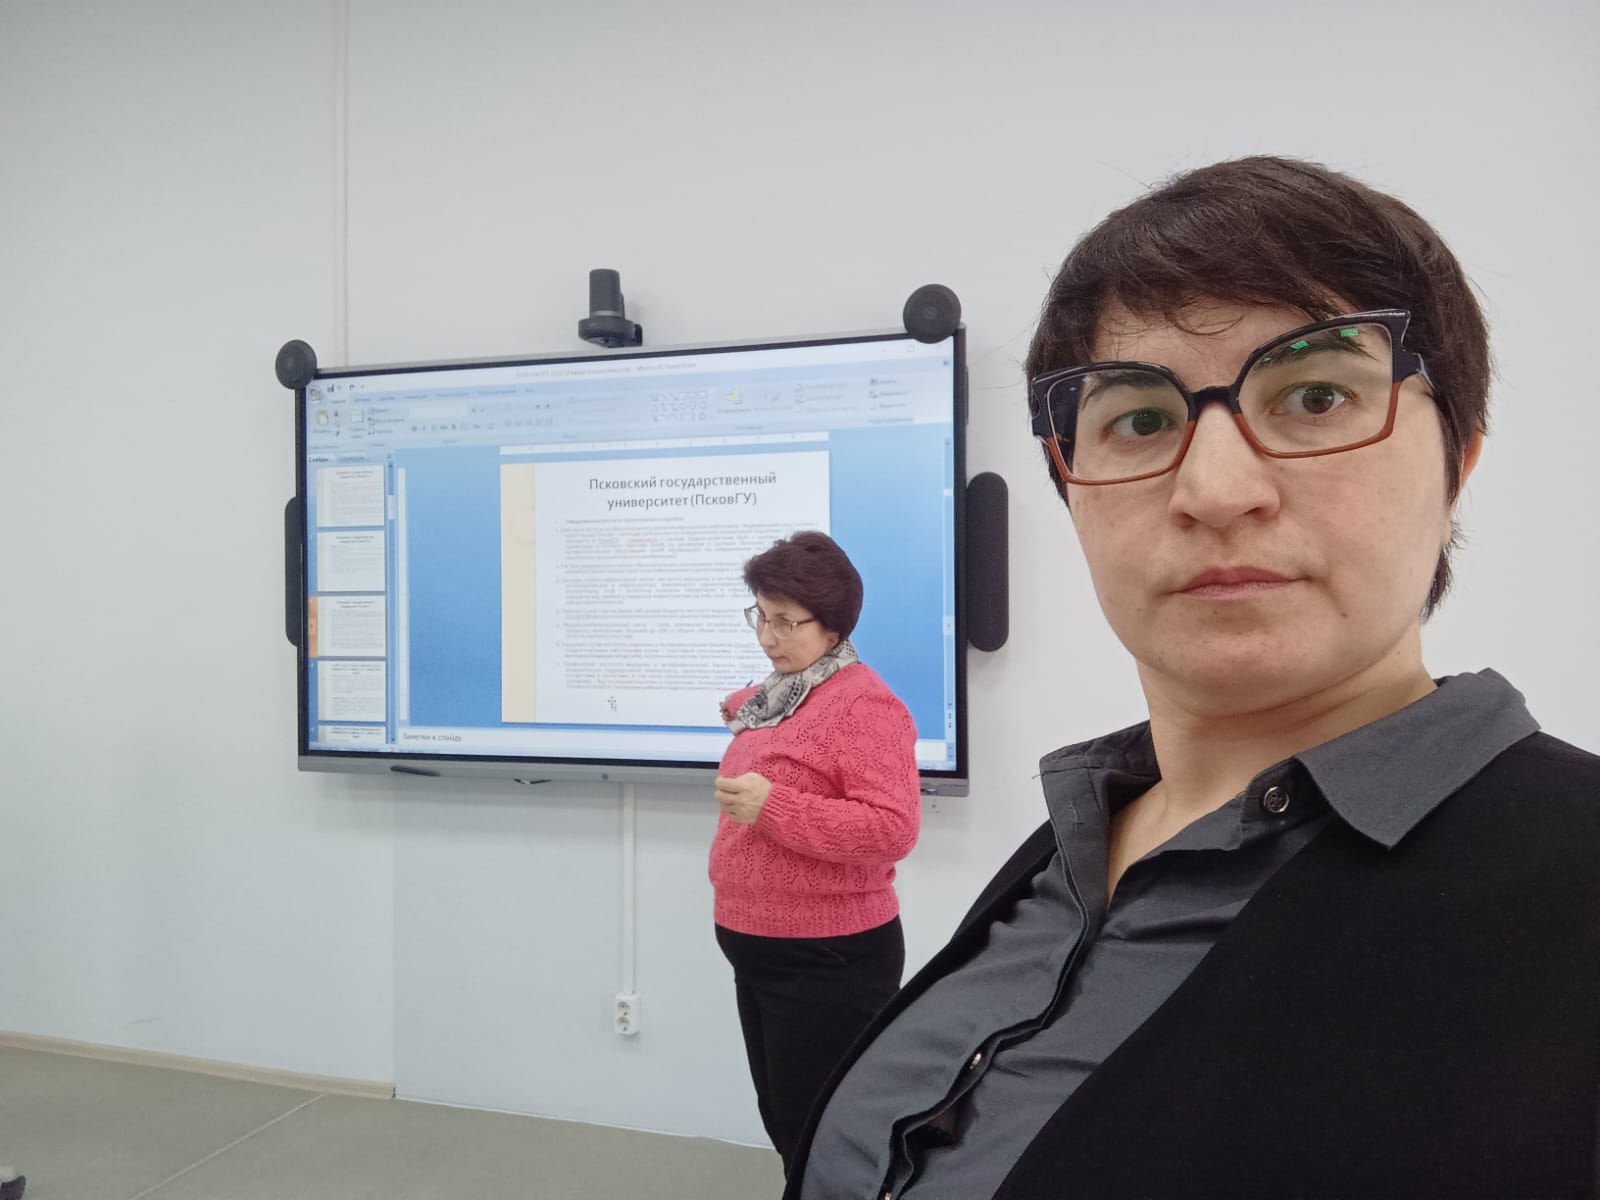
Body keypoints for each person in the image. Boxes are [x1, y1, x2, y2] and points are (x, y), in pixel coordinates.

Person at [786, 156, 1600, 1199]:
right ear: (1072, 491)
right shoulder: (1080, 840)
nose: (1215, 489)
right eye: (1139, 420)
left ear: (1459, 467)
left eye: (1315, 395)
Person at [710, 530, 922, 1175]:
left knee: (826, 1138)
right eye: (760, 616)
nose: (767, 636)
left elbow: (891, 828)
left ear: (832, 627)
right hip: (761, 952)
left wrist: (773, 806)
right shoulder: (784, 693)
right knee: (789, 1126)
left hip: (827, 960)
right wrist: (743, 707)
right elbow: (793, 740)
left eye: (785, 622)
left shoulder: (866, 705)